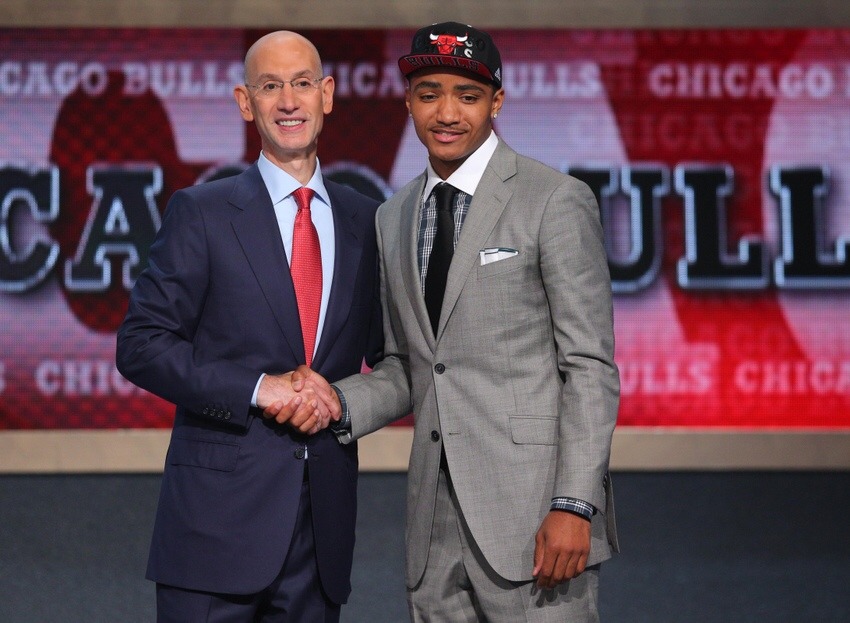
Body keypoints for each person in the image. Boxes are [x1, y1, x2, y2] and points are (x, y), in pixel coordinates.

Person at [274, 21, 620, 623]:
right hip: (433, 528)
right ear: (408, 102)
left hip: (537, 517)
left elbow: (589, 366)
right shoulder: (394, 215)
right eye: (429, 92)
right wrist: (336, 401)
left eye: (467, 94)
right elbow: (409, 365)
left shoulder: (554, 200)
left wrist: (575, 504)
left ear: (497, 102)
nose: (447, 112)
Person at [116, 30, 382, 622]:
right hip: (214, 533)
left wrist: (339, 400)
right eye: (269, 86)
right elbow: (141, 345)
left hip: (321, 540)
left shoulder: (369, 221)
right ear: (245, 102)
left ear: (328, 95)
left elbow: (395, 361)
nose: (288, 101)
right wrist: (260, 388)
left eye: (302, 83)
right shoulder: (201, 212)